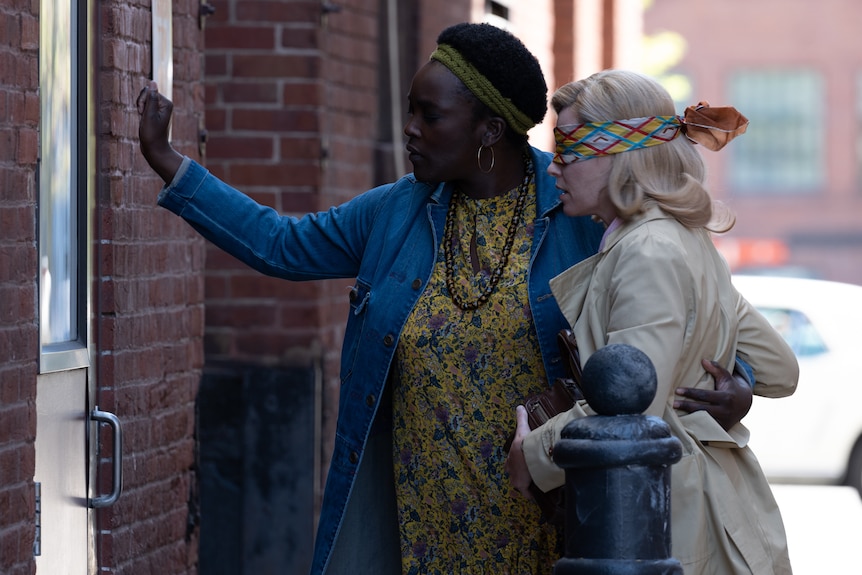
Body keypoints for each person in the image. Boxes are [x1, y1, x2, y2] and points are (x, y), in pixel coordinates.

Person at [139, 23, 761, 575]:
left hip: (550, 518)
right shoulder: (395, 213)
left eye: (429, 116)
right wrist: (172, 165)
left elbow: (691, 300)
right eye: (410, 110)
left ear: (489, 129)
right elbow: (281, 244)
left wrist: (740, 383)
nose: (409, 129)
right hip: (421, 523)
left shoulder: (582, 206)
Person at [506, 69, 799, 574]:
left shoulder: (648, 252)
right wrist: (729, 385)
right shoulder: (686, 242)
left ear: (620, 154)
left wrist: (531, 454)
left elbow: (633, 405)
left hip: (674, 521)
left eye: (570, 149)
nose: (554, 168)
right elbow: (777, 366)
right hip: (719, 508)